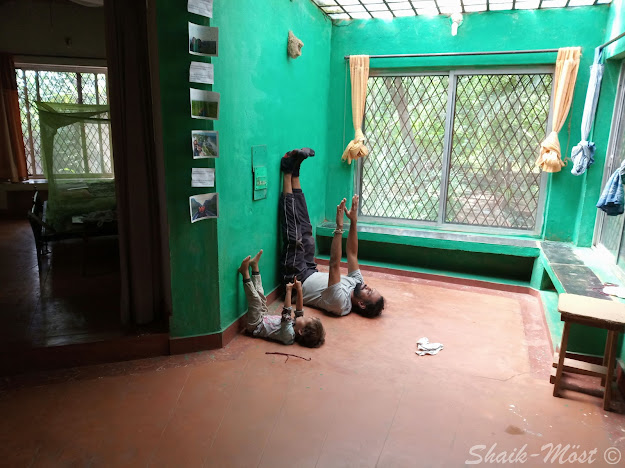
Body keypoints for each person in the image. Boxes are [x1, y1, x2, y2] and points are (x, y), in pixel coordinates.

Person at [279, 148, 385, 318]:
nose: (368, 287)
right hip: (310, 270)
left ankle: (286, 172)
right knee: (306, 230)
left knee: (295, 236)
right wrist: (353, 221)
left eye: (370, 292)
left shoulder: (341, 304)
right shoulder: (357, 284)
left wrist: (339, 227)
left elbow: (334, 264)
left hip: (295, 280)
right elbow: (352, 253)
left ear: (362, 304)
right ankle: (295, 173)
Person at [238, 249, 325, 347]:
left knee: (256, 300)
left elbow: (286, 313)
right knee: (260, 294)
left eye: (305, 319)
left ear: (301, 332)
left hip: (255, 325)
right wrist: (299, 289)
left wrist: (289, 291)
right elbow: (299, 310)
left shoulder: (288, 335)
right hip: (262, 317)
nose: (302, 317)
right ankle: (254, 266)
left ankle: (244, 273)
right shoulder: (297, 325)